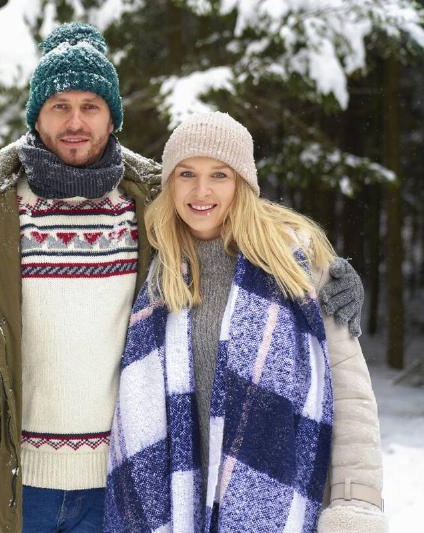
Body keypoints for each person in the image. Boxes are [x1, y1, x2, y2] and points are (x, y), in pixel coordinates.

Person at [0, 23, 364, 533]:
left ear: (112, 116)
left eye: (91, 106)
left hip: (127, 482)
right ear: (36, 115)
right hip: (11, 483)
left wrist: (323, 271)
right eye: (59, 105)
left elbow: (235, 219)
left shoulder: (150, 201)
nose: (75, 121)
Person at [104, 112, 386, 533]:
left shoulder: (300, 266)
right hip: (181, 511)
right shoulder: (155, 272)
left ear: (242, 184)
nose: (202, 191)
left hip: (281, 507)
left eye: (220, 174)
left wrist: (355, 502)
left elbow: (351, 394)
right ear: (170, 185)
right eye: (187, 173)